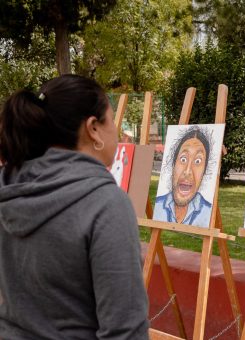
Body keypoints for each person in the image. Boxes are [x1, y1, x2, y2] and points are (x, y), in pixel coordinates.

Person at [0, 75, 149, 338]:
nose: (117, 130)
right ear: (93, 128)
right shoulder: (105, 204)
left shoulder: (9, 187)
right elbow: (125, 330)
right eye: (111, 120)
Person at [154, 127, 212, 227]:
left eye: (198, 161)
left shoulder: (207, 211)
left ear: (204, 172)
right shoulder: (159, 205)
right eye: (183, 159)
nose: (187, 171)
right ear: (173, 164)